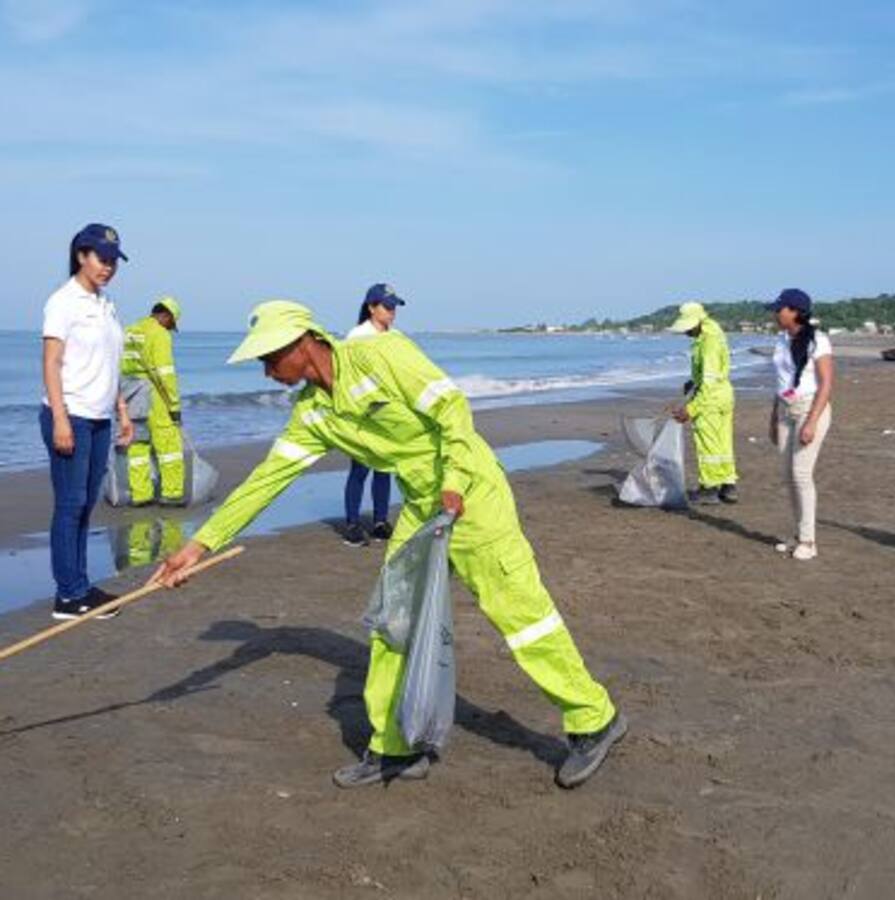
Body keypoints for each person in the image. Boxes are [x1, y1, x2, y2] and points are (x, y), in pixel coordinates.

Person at [153, 301, 626, 789]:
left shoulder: (380, 356)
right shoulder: (312, 414)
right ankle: (396, 747)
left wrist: (454, 482)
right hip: (421, 506)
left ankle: (594, 719)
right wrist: (199, 546)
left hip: (472, 493)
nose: (267, 372)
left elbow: (452, 409)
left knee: (522, 615)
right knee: (394, 622)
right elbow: (265, 481)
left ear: (303, 343)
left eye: (270, 358)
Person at [41, 223, 135, 619]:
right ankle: (69, 595)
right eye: (101, 258)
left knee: (85, 506)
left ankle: (79, 586)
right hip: (71, 416)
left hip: (98, 419)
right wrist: (60, 419)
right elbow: (51, 363)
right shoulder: (63, 302)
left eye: (114, 260)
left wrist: (121, 410)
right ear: (81, 255)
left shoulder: (106, 303)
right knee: (70, 504)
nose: (108, 267)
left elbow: (108, 364)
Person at [767, 289, 834, 560]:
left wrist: (812, 422)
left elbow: (826, 384)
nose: (775, 313)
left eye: (779, 309)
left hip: (809, 408)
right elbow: (781, 382)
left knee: (801, 474)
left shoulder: (818, 340)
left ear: (795, 311)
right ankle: (798, 535)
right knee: (787, 476)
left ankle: (809, 541)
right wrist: (773, 419)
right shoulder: (781, 339)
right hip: (785, 409)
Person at [341, 283, 403, 546]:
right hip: (363, 411)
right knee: (360, 467)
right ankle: (352, 524)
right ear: (371, 307)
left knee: (384, 468)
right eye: (387, 307)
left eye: (394, 307)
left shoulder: (395, 336)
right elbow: (347, 375)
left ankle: (380, 522)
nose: (392, 312)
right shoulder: (357, 336)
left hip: (388, 411)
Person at [669, 302, 738, 504]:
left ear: (697, 322)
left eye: (687, 328)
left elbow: (708, 383)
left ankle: (709, 488)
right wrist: (694, 381)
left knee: (708, 445)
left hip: (710, 399)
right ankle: (728, 486)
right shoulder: (715, 332)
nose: (685, 332)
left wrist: (691, 409)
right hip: (724, 394)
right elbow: (714, 372)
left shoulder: (708, 343)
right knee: (723, 442)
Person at [120, 296, 185, 505]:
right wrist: (174, 405)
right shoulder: (159, 334)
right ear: (166, 316)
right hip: (152, 394)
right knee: (168, 444)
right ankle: (172, 494)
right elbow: (165, 374)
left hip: (129, 392)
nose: (170, 328)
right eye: (172, 323)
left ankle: (141, 495)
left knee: (137, 445)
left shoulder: (129, 330)